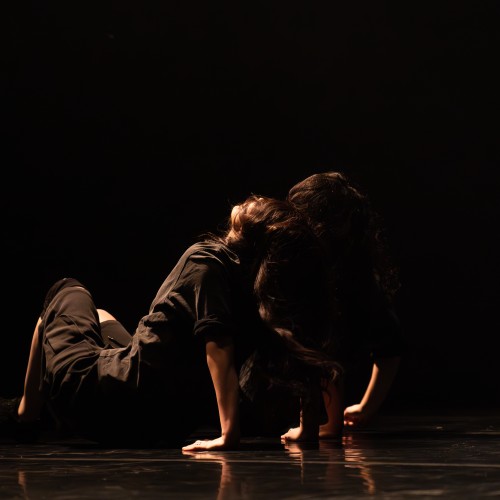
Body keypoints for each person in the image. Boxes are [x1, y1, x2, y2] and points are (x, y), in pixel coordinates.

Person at [9, 194, 342, 450]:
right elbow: (297, 346)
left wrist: (229, 435)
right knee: (100, 316)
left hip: (93, 398)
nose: (248, 200)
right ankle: (35, 400)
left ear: (250, 230)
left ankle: (25, 414)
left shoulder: (207, 261)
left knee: (66, 290)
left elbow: (218, 345)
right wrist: (307, 427)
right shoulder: (256, 293)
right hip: (160, 423)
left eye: (254, 203)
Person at [286, 171, 405, 439]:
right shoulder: (357, 269)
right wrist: (365, 408)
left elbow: (321, 351)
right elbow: (390, 348)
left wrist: (323, 424)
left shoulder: (344, 278)